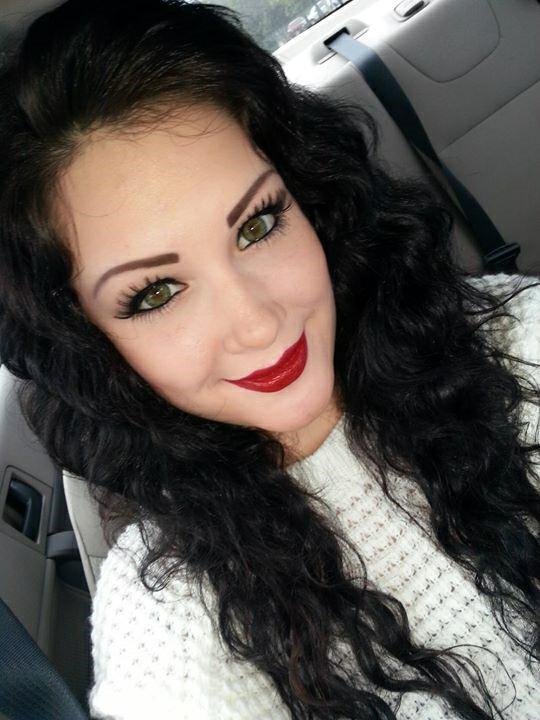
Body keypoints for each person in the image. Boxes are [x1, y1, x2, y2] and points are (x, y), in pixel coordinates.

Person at [0, 1, 538, 718]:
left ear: (307, 198)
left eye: (257, 225)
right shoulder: (173, 610)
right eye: (156, 293)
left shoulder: (513, 340)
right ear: (87, 338)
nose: (258, 324)